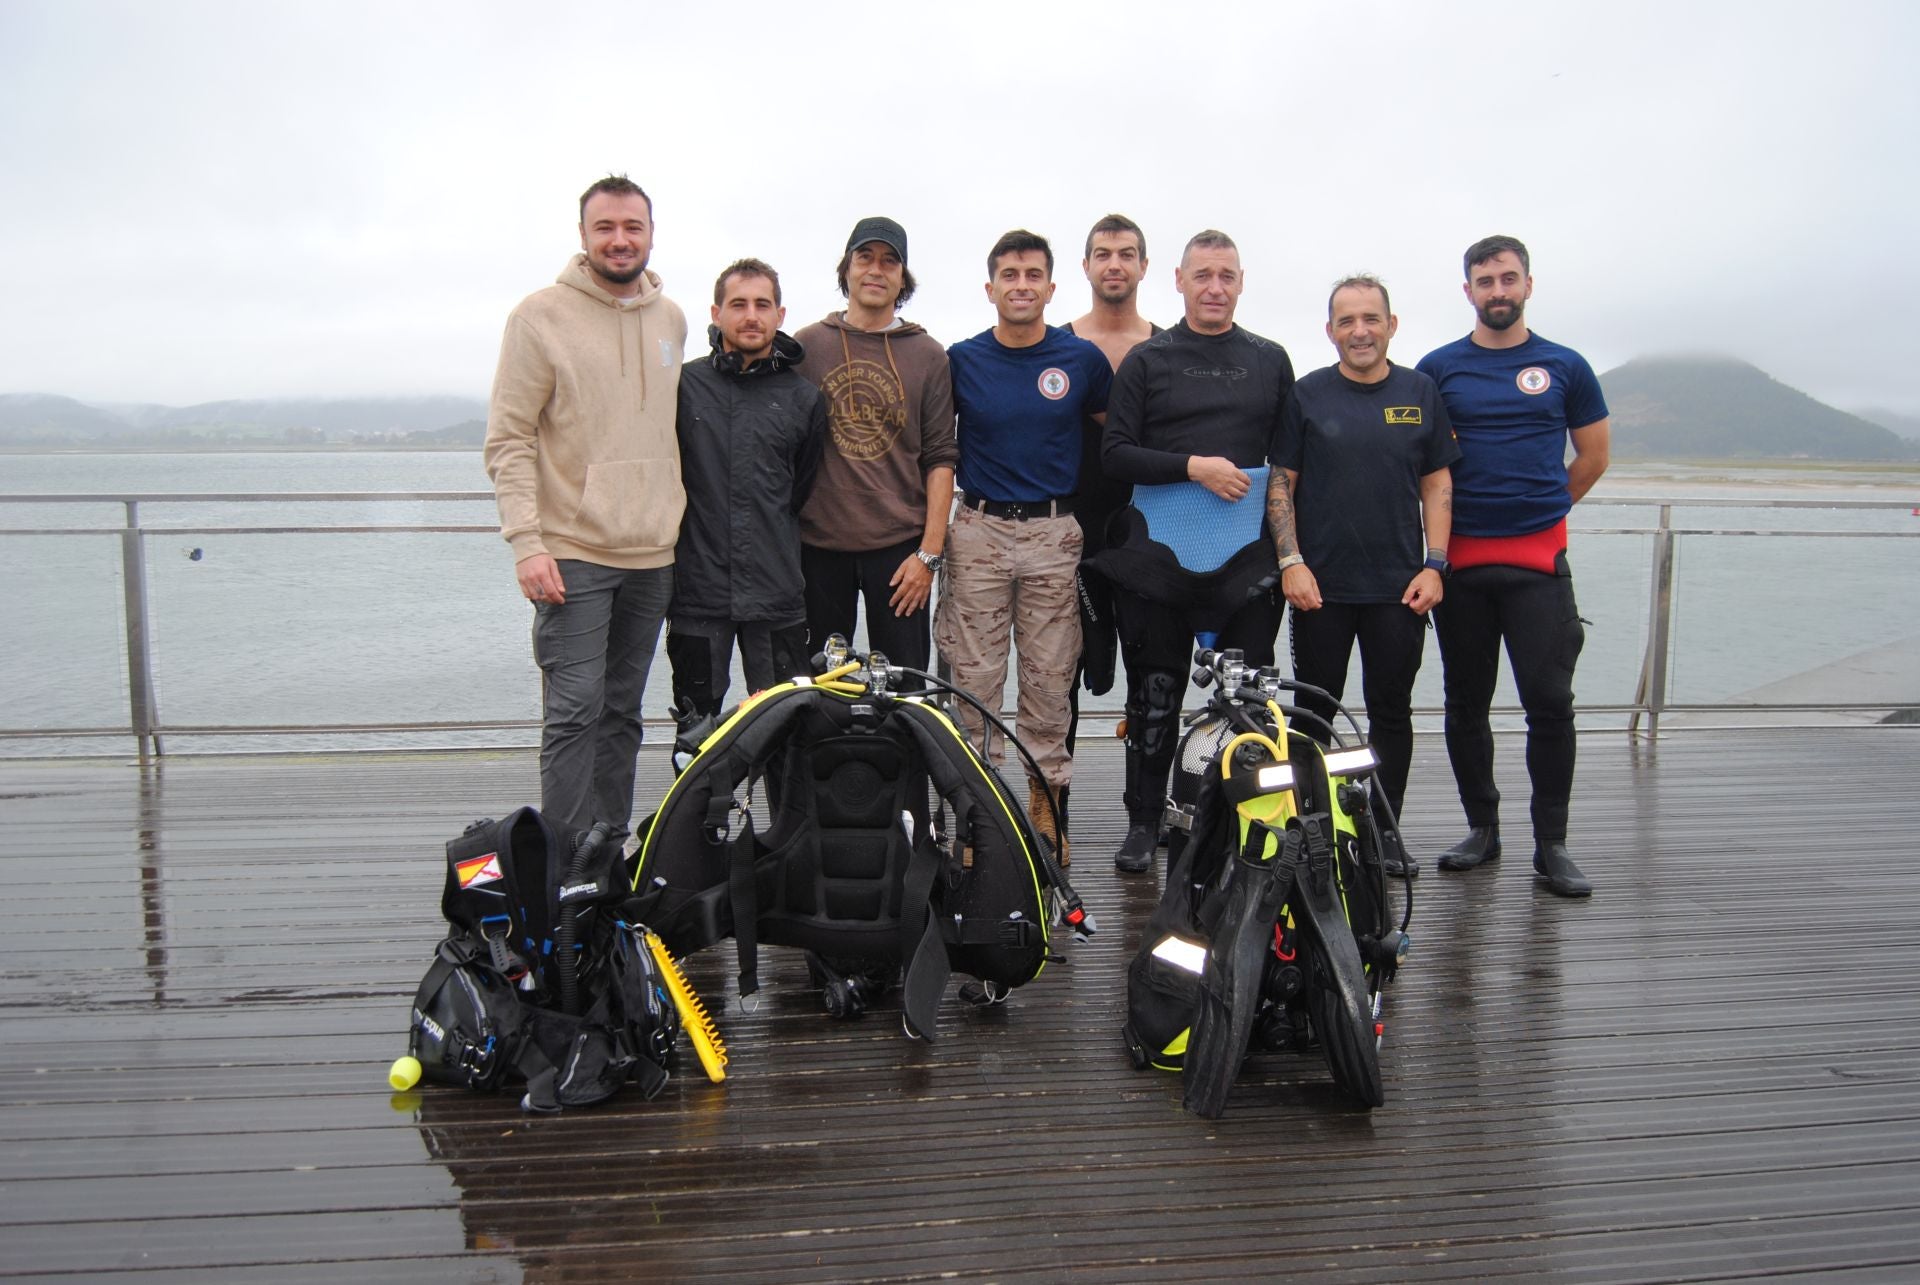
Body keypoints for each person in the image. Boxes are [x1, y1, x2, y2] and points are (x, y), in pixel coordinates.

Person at [483, 174, 687, 837]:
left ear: (651, 234)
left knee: (624, 710)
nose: (620, 240)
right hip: (571, 552)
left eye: (633, 227)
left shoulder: (672, 319)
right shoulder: (539, 317)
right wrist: (526, 541)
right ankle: (567, 866)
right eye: (606, 227)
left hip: (653, 555)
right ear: (583, 236)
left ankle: (607, 851)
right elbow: (509, 437)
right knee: (574, 711)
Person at [1416, 235, 1610, 898]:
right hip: (1460, 561)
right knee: (1465, 703)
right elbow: (1421, 459)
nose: (1497, 290)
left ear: (1528, 284)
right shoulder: (1438, 368)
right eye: (1484, 280)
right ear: (1467, 290)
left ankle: (1551, 844)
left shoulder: (1565, 365)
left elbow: (1592, 458)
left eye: (1507, 278)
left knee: (1550, 703)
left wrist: (1542, 509)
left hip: (1537, 559)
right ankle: (1482, 829)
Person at [1096, 229, 1294, 874]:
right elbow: (1116, 454)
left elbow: (1286, 467)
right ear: (1177, 280)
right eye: (1202, 275)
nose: (1215, 288)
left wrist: (1290, 555)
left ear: (1241, 282)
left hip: (1244, 557)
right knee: (1154, 695)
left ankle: (1242, 816)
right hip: (1158, 554)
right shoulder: (1148, 361)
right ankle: (1144, 821)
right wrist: (1195, 467)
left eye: (1227, 276)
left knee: (1249, 699)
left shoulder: (1270, 359)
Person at [1271, 274, 1460, 878]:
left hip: (1399, 590)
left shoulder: (1420, 392)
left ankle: (1382, 831)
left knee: (1391, 712)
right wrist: (1290, 562)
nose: (1360, 331)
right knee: (1312, 718)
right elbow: (1281, 485)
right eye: (1346, 321)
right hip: (1319, 589)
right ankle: (1313, 830)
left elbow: (1437, 485)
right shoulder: (1306, 395)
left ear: (1391, 325)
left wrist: (1436, 565)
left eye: (1370, 319)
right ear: (1330, 331)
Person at [936, 229, 1113, 866]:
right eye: (1008, 275)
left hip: (1052, 535)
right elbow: (932, 445)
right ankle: (977, 815)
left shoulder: (1081, 360)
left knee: (1048, 678)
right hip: (978, 531)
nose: (1020, 285)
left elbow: (1112, 444)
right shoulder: (962, 359)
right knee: (974, 681)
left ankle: (1047, 806)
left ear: (1050, 287)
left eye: (1032, 275)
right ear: (990, 288)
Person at [794, 218, 957, 677]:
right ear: (846, 268)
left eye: (889, 261)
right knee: (819, 686)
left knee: (906, 687)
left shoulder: (929, 355)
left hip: (900, 551)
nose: (875, 270)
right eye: (865, 257)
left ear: (902, 278)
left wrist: (928, 555)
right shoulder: (806, 347)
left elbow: (941, 457)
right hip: (818, 548)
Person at [667, 258, 827, 720]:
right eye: (738, 304)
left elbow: (801, 488)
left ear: (780, 315)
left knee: (785, 727)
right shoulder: (685, 386)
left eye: (762, 304)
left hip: (776, 593)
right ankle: (704, 798)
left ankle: (782, 798)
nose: (751, 315)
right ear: (716, 314)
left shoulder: (803, 399)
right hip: (698, 590)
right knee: (697, 731)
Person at [1062, 214, 1161, 747]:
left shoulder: (1169, 349)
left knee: (1152, 678)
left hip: (1150, 530)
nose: (1115, 264)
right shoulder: (1058, 346)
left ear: (1144, 266)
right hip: (1072, 529)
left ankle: (1146, 819)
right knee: (1064, 676)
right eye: (1103, 254)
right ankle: (1055, 813)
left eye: (1126, 254)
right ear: (1086, 266)